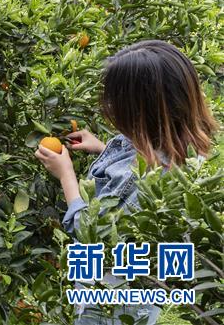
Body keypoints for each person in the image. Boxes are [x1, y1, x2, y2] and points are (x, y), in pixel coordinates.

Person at [36, 40, 217, 325]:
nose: (108, 107)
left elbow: (90, 234)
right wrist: (105, 147)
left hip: (110, 300)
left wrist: (66, 175)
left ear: (139, 111)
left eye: (115, 101)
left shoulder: (138, 176)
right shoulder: (183, 149)